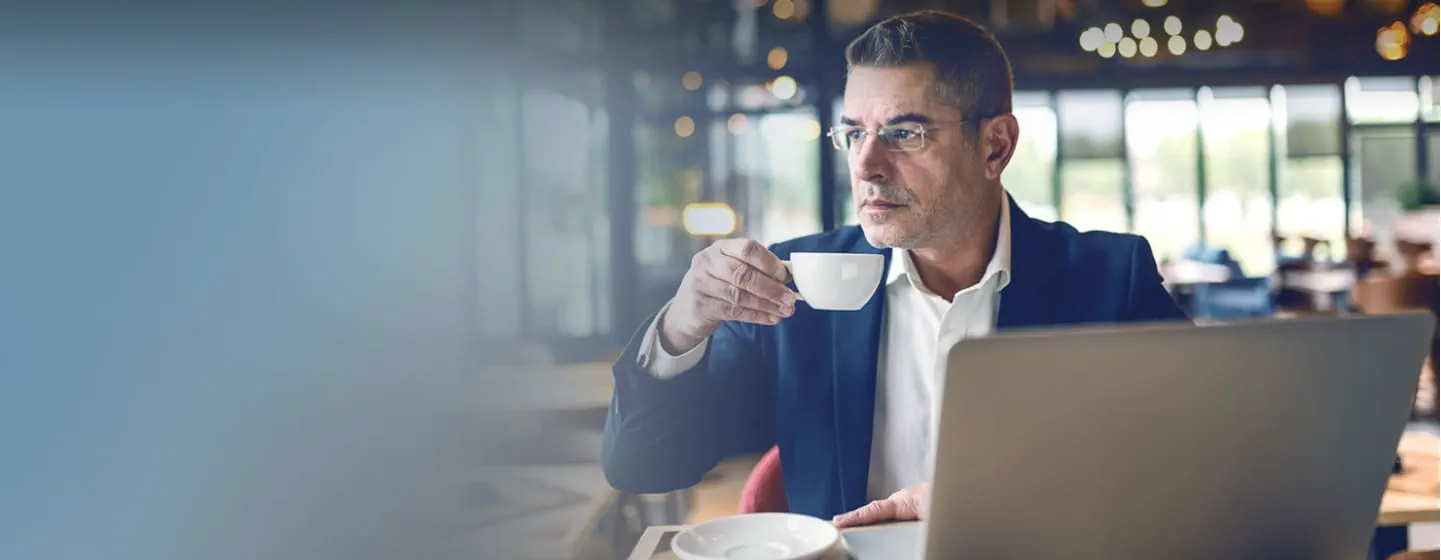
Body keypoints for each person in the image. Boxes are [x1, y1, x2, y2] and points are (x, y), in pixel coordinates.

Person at [602, 10, 1189, 527]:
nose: (867, 164)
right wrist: (681, 326)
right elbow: (643, 463)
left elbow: (1199, 466)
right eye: (854, 133)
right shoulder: (794, 285)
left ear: (996, 146)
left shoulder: (1110, 280)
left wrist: (996, 502)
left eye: (904, 133)